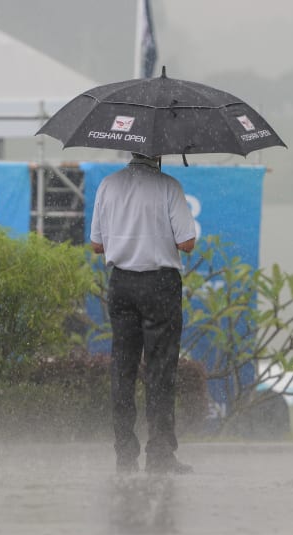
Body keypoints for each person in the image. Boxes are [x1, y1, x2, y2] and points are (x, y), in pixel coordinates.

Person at [90, 152, 197, 475]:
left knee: (122, 369)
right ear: (158, 152)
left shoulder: (108, 185)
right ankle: (160, 454)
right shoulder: (168, 186)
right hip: (159, 284)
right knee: (160, 370)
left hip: (121, 284)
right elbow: (187, 242)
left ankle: (125, 455)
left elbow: (97, 245)